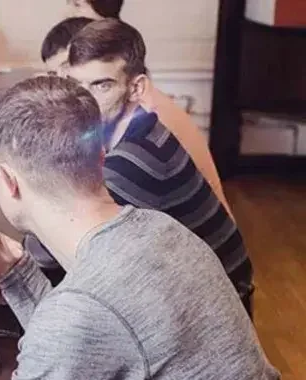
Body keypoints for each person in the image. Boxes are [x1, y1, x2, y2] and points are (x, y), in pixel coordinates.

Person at [0, 75, 284, 380]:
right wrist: (18, 276)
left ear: (6, 180)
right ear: (101, 158)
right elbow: (91, 346)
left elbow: (83, 325)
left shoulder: (82, 311)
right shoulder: (162, 228)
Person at [31, 18, 254, 315]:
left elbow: (52, 255)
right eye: (76, 86)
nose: (83, 102)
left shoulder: (135, 161)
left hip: (218, 311)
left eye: (101, 85)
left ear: (136, 88)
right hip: (207, 290)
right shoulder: (138, 128)